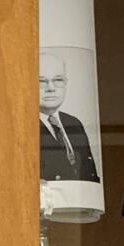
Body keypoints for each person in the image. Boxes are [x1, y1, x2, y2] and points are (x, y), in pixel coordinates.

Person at [39, 55, 100, 185]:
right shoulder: (21, 128)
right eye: (41, 81)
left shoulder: (74, 123)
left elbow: (90, 176)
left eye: (58, 80)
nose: (51, 88)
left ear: (66, 83)